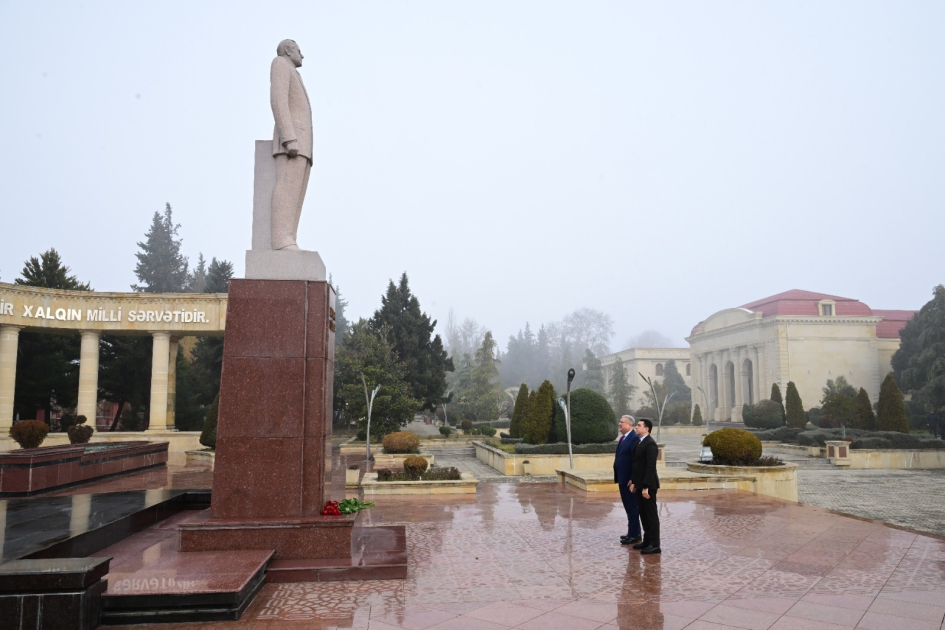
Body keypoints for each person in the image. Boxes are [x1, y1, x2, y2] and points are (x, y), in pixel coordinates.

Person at [270, 39, 313, 251]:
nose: (302, 55)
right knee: (287, 188)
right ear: (288, 50)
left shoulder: (295, 73)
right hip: (293, 141)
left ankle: (290, 238)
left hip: (303, 143)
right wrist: (289, 137)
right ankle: (281, 240)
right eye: (299, 51)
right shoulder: (280, 64)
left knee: (296, 194)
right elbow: (278, 100)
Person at [629, 418, 661, 555]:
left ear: (646, 429)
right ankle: (647, 541)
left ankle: (655, 545)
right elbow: (637, 465)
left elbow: (650, 467)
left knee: (651, 515)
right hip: (640, 484)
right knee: (643, 514)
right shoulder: (639, 442)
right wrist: (633, 481)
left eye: (639, 425)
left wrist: (646, 486)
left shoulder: (650, 444)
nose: (636, 427)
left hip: (648, 486)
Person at [613, 415, 641, 545]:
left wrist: (632, 479)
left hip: (629, 481)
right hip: (622, 478)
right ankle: (633, 532)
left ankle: (634, 535)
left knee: (632, 507)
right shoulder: (623, 438)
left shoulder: (634, 438)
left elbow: (636, 461)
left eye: (622, 422)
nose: (619, 424)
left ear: (629, 425)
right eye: (619, 421)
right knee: (628, 507)